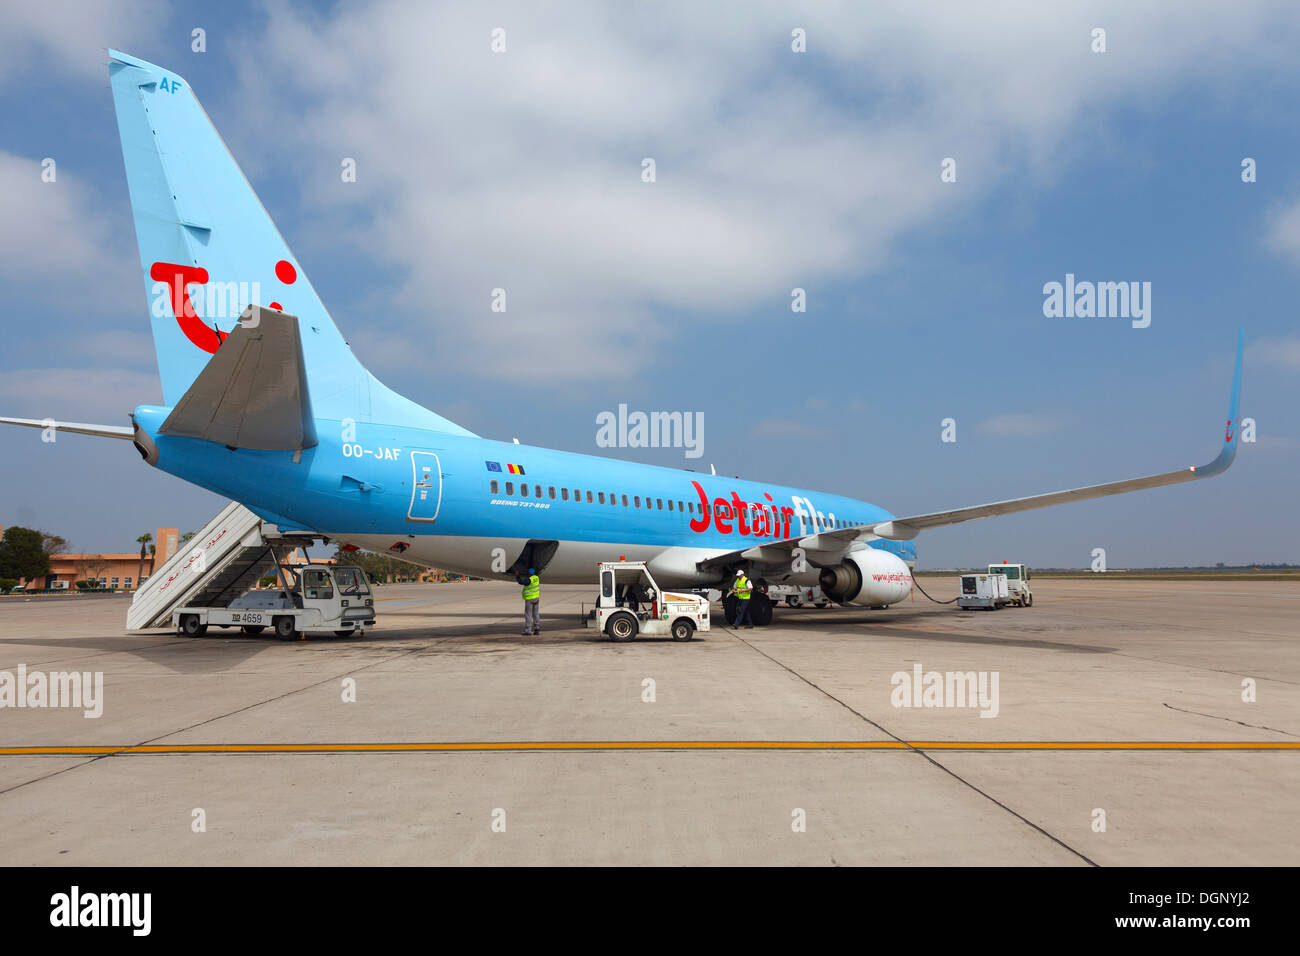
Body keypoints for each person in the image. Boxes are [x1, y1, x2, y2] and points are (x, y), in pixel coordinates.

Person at [521, 567, 541, 635]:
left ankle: (528, 630)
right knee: (536, 614)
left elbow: (521, 582)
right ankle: (537, 628)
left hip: (529, 598)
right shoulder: (537, 578)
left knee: (528, 614)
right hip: (536, 598)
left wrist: (517, 575)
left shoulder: (529, 580)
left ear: (529, 573)